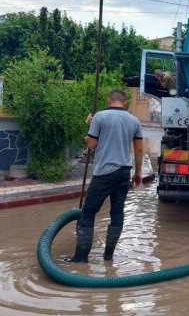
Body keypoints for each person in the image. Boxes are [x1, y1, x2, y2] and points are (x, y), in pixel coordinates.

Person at [64, 89, 144, 263]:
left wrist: (91, 126)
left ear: (109, 100)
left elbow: (91, 143)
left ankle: (80, 257)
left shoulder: (99, 117)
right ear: (125, 102)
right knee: (117, 212)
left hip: (105, 173)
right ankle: (108, 256)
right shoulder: (134, 120)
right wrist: (138, 173)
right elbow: (139, 150)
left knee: (89, 212)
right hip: (124, 172)